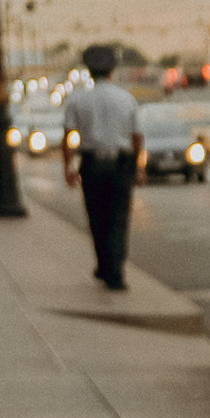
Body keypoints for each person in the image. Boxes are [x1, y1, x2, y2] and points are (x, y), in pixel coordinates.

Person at [66, 44, 143, 289]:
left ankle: (103, 265)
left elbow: (68, 136)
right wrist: (138, 166)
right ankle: (116, 271)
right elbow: (136, 137)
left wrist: (69, 166)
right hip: (121, 164)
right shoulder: (126, 98)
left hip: (91, 164)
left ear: (89, 71)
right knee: (118, 219)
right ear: (112, 70)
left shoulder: (77, 99)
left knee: (96, 217)